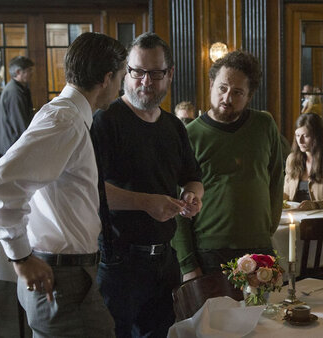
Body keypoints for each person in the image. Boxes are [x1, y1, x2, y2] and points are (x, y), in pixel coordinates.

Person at [0, 32, 127, 337]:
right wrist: (19, 256)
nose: (121, 86)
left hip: (70, 273)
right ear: (107, 78)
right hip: (61, 278)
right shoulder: (66, 120)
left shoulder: (68, 116)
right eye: (122, 76)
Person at [91, 32, 203, 337]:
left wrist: (192, 195)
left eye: (155, 73)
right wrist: (146, 202)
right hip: (120, 260)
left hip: (166, 260)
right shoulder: (106, 120)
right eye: (137, 72)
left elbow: (193, 177)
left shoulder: (174, 126)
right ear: (126, 71)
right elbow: (92, 191)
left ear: (170, 74)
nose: (146, 82)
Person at [171, 50, 284, 282]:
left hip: (259, 247)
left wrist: (266, 230)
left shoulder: (264, 125)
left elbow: (276, 180)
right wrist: (187, 264)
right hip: (209, 251)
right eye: (222, 88)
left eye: (238, 92)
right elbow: (177, 205)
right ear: (212, 84)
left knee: (264, 318)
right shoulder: (189, 135)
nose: (227, 98)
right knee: (214, 319)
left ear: (249, 95)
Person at [284, 113, 323, 210]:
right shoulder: (291, 159)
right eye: (297, 135)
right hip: (294, 216)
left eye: (305, 136)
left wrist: (314, 205)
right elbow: (286, 194)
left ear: (317, 137)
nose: (300, 141)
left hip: (320, 220)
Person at [0, 55, 34, 156]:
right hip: (12, 144)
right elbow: (19, 122)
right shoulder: (14, 92)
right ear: (18, 72)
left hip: (11, 143)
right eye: (29, 70)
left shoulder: (17, 89)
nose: (32, 73)